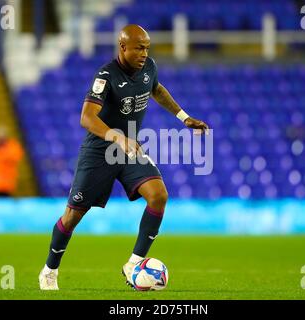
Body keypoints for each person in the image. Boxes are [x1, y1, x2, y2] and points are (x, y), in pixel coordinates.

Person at [38, 25, 209, 290]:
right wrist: (117, 137)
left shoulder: (149, 67)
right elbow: (86, 117)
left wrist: (184, 117)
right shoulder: (106, 76)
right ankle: (50, 270)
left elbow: (157, 89)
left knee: (158, 195)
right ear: (123, 47)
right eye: (139, 48)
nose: (144, 53)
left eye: (147, 48)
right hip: (100, 150)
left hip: (130, 149)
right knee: (73, 216)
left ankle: (134, 263)